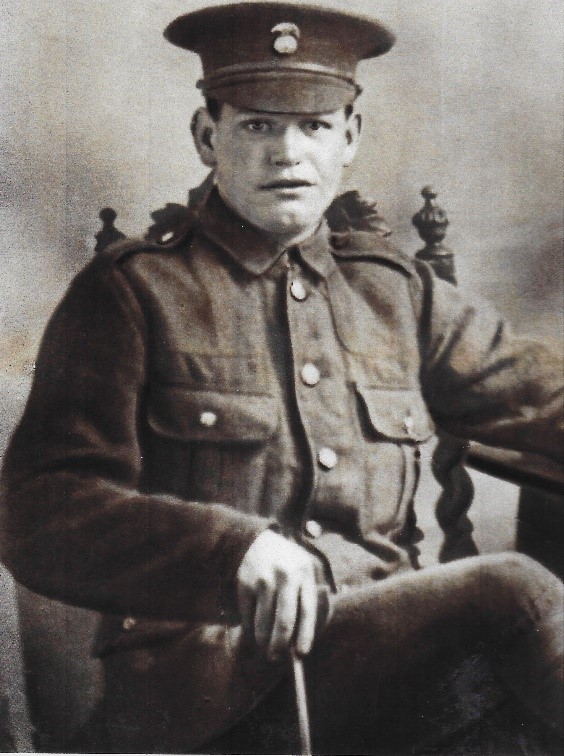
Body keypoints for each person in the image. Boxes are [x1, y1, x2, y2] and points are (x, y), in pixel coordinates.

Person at [1, 3, 562, 753]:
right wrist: (230, 550)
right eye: (258, 126)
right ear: (209, 136)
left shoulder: (395, 293)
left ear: (351, 138)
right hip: (209, 693)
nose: (287, 154)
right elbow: (38, 511)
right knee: (513, 594)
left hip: (384, 664)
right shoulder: (134, 294)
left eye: (314, 127)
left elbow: (541, 400)